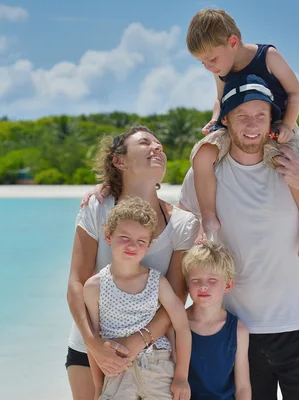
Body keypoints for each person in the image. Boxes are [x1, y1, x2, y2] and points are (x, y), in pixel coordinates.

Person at [177, 74, 299, 399]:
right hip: (237, 334)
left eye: (260, 115)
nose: (252, 124)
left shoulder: (296, 161)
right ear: (225, 119)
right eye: (242, 116)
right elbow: (175, 235)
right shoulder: (206, 172)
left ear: (272, 118)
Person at [66, 126, 200, 400]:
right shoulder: (96, 208)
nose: (157, 148)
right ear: (119, 161)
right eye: (145, 143)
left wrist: (136, 344)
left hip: (155, 357)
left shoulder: (183, 224)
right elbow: (76, 284)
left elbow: (176, 296)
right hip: (89, 349)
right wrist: (95, 345)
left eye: (159, 144)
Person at [185, 8, 299, 258]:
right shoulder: (220, 69)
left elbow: (295, 92)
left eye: (211, 59)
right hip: (235, 125)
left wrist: (288, 125)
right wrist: (215, 121)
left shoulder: (268, 56)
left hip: (278, 123)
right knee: (202, 153)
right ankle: (209, 217)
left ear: (232, 42)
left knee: (290, 163)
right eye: (202, 62)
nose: (208, 67)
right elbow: (219, 99)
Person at [83, 196, 192, 400]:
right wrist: (98, 388)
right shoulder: (94, 286)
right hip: (116, 373)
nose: (132, 245)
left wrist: (181, 377)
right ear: (108, 235)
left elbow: (182, 327)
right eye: (124, 237)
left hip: (157, 367)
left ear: (149, 245)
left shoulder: (157, 282)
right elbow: (94, 343)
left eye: (141, 241)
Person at [182, 242, 251, 400]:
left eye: (212, 280)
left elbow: (243, 387)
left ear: (228, 284)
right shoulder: (177, 325)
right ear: (187, 285)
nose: (203, 286)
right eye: (196, 280)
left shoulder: (238, 330)